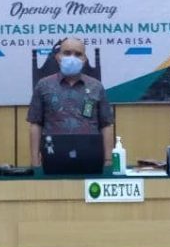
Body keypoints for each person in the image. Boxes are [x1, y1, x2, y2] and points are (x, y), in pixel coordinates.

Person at [27, 37, 114, 167]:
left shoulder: (96, 86)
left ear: (84, 59)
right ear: (58, 57)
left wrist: (108, 160)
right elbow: (35, 124)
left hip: (90, 157)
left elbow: (106, 125)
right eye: (67, 53)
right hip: (53, 157)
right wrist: (35, 161)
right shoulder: (43, 85)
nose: (72, 58)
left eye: (78, 54)